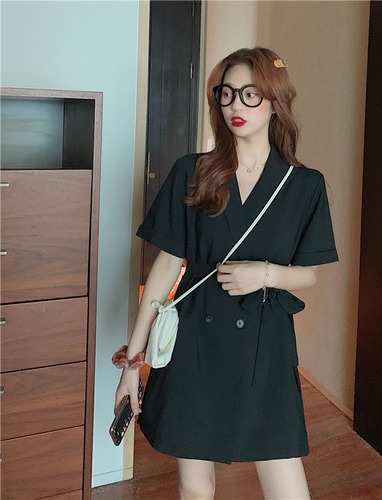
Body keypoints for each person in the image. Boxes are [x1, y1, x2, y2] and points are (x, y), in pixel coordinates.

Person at [113, 47, 338, 500]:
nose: (237, 105)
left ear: (275, 102)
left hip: (266, 344)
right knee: (195, 486)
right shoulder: (193, 171)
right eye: (228, 93)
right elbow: (166, 267)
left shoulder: (305, 184)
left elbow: (308, 274)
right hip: (196, 339)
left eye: (251, 94)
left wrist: (266, 274)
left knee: (287, 486)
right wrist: (132, 364)